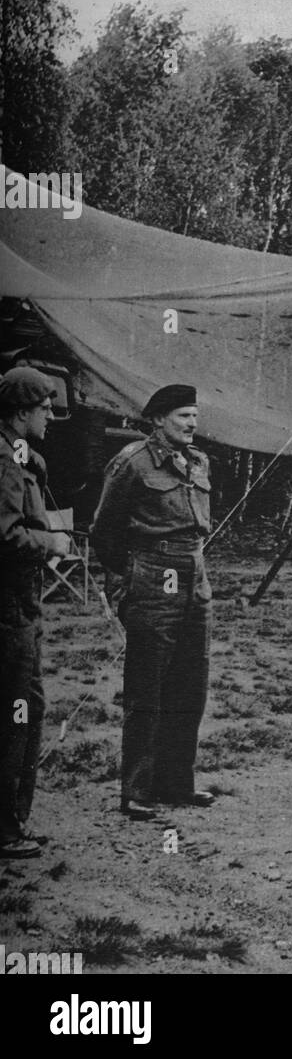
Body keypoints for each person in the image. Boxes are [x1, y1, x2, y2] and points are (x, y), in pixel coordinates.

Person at [90, 384, 216, 820]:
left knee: (190, 684)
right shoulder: (131, 462)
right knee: (147, 686)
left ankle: (176, 783)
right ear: (159, 418)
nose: (192, 423)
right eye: (183, 415)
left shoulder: (198, 462)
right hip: (152, 574)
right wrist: (125, 583)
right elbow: (104, 531)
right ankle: (137, 790)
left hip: (194, 577)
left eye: (195, 416)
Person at [0, 366, 70, 858]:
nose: (50, 414)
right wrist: (53, 541)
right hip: (8, 612)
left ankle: (14, 821)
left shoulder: (20, 456)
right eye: (44, 406)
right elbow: (5, 535)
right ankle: (5, 830)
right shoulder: (4, 460)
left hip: (20, 607)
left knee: (30, 708)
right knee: (14, 714)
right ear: (21, 410)